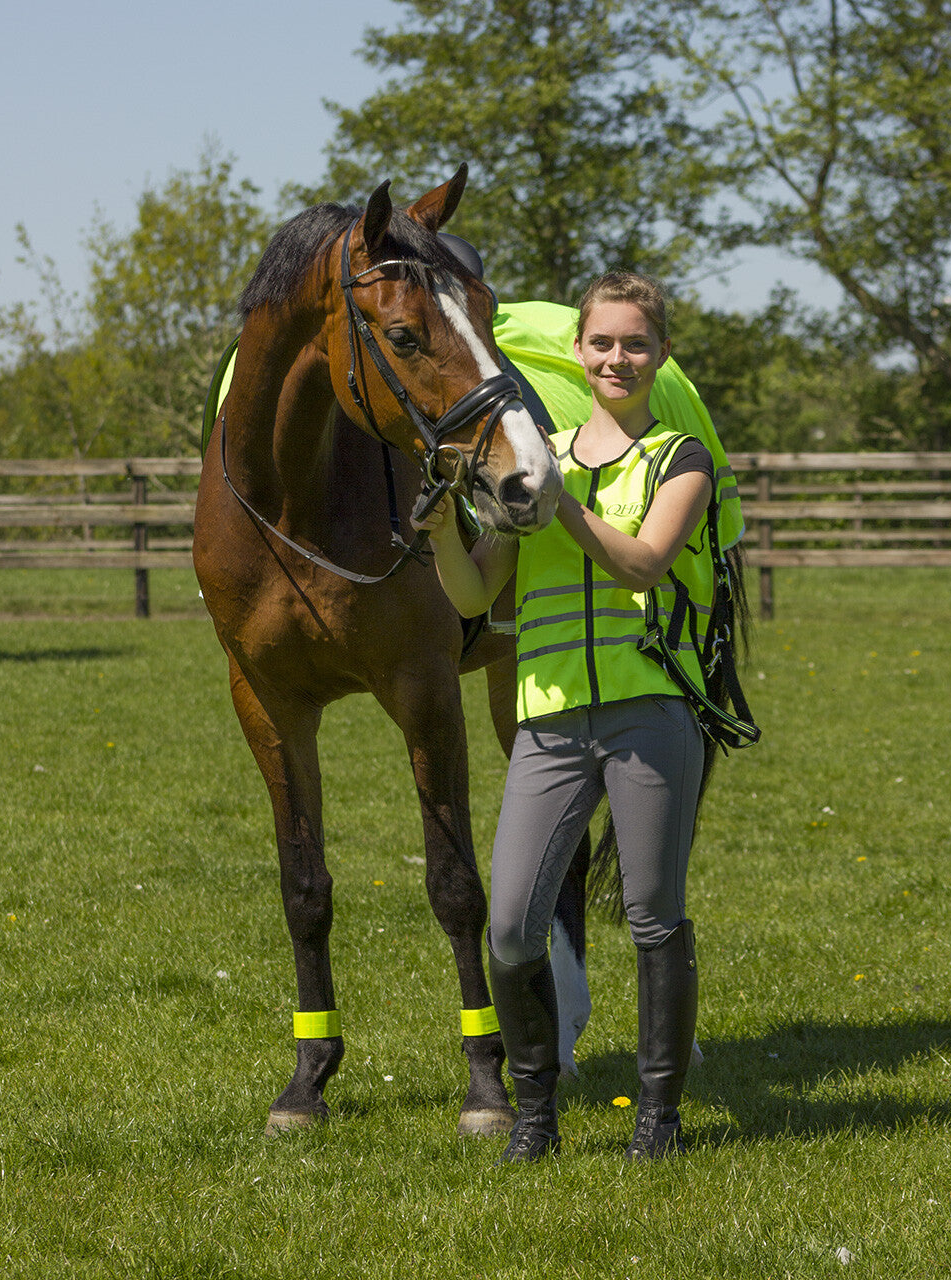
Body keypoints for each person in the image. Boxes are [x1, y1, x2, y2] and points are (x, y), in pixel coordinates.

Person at [413, 271, 718, 1163]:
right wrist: (440, 535)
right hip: (548, 721)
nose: (618, 357)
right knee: (510, 924)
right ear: (577, 353)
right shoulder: (533, 456)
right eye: (603, 342)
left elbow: (641, 565)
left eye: (635, 343)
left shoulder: (678, 459)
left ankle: (657, 1118)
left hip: (649, 712)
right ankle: (536, 1112)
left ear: (659, 355)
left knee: (654, 913)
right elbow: (474, 592)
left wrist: (562, 502)